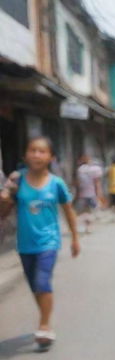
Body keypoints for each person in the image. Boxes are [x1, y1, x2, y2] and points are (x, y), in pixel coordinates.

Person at [0, 136, 80, 349]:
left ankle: (44, 326)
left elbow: (68, 211)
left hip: (49, 242)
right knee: (35, 285)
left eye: (42, 151)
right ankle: (44, 320)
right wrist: (6, 198)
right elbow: (4, 213)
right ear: (25, 155)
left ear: (51, 157)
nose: (36, 154)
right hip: (25, 244)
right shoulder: (17, 181)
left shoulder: (57, 184)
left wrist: (74, 238)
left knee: (43, 281)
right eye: (32, 150)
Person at [74, 153, 103, 233]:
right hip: (92, 193)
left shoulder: (80, 170)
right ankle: (88, 227)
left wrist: (76, 194)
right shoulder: (94, 170)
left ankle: (86, 227)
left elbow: (78, 184)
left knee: (85, 211)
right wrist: (99, 194)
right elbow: (97, 183)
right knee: (90, 211)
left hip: (82, 194)